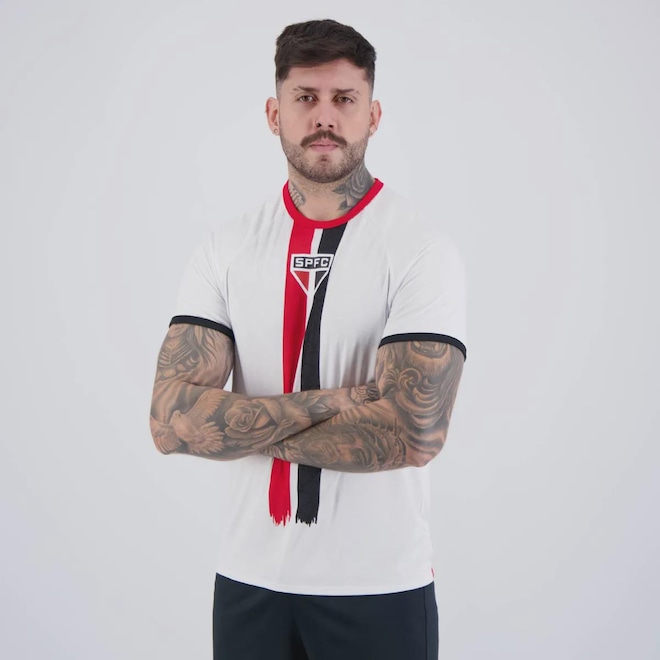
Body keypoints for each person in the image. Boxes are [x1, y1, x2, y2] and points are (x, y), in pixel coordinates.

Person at [150, 18, 466, 660]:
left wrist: (236, 422)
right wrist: (336, 402)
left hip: (377, 587)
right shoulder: (226, 249)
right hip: (248, 581)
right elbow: (168, 421)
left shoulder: (419, 249)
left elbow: (414, 433)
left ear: (373, 114)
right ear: (275, 114)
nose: (325, 116)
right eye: (305, 97)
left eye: (344, 98)